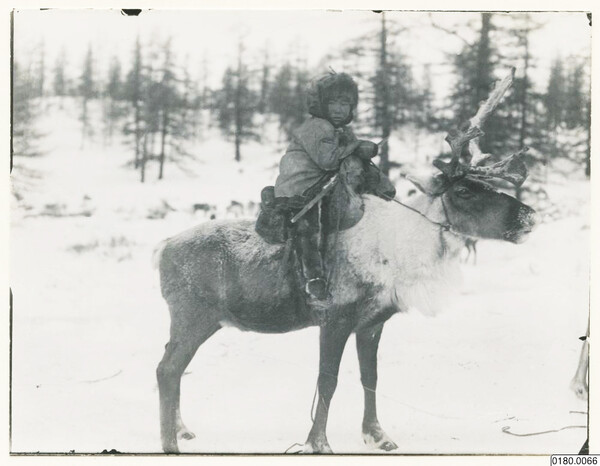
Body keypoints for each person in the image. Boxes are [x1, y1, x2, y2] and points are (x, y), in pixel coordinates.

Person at [273, 72, 378, 303]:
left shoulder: (339, 130)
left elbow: (350, 161)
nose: (339, 109)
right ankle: (313, 277)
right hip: (299, 189)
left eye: (345, 103)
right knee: (308, 225)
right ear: (321, 104)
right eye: (333, 102)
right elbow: (328, 160)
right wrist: (356, 146)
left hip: (321, 186)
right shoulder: (317, 127)